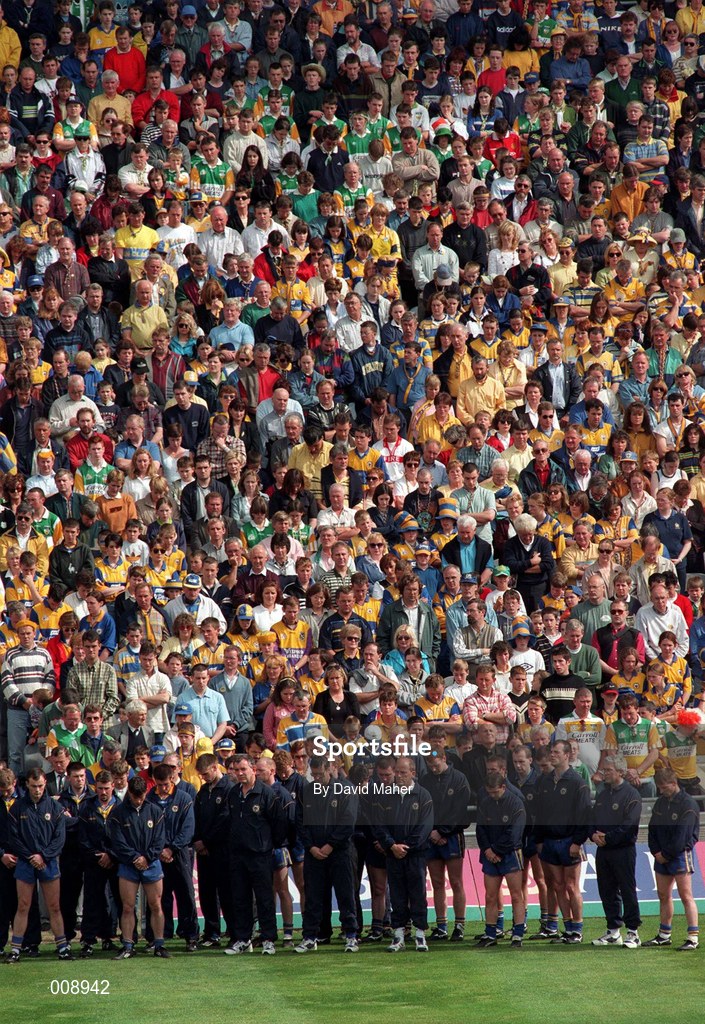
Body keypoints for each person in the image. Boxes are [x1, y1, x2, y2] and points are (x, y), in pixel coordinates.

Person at [5, 767, 73, 964]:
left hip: (48, 863)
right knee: (23, 906)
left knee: (54, 906)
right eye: (34, 786)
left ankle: (62, 947)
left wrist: (43, 856)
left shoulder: (54, 807)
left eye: (41, 786)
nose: (37, 790)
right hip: (26, 864)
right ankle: (16, 949)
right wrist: (30, 857)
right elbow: (14, 839)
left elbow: (59, 839)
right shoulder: (17, 808)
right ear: (27, 784)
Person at [294, 755, 359, 953]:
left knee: (345, 895)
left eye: (320, 774)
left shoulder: (345, 790)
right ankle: (310, 936)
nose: (317, 778)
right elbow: (300, 822)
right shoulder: (306, 791)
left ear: (329, 769)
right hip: (314, 854)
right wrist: (312, 847)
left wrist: (331, 845)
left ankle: (350, 935)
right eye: (313, 775)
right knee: (313, 897)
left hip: (339, 853)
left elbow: (348, 821)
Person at [224, 753, 287, 955]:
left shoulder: (266, 794)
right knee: (240, 899)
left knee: (264, 899)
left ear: (253, 769)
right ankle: (243, 939)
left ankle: (268, 939)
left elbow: (279, 824)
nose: (240, 773)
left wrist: (268, 845)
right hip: (238, 855)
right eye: (236, 770)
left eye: (243, 769)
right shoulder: (233, 793)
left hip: (260, 855)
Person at [372, 756, 434, 953]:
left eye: (403, 772)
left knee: (417, 895)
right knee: (397, 895)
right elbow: (379, 826)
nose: (398, 776)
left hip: (415, 856)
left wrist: (405, 847)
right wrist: (392, 846)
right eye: (397, 772)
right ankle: (398, 935)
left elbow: (424, 828)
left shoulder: (423, 795)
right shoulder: (385, 796)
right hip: (393, 855)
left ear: (413, 774)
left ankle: (420, 934)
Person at [533, 738, 592, 943]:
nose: (552, 755)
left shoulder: (578, 783)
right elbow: (538, 813)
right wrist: (539, 839)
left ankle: (577, 929)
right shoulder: (544, 782)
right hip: (549, 841)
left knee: (571, 886)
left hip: (569, 842)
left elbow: (584, 816)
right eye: (551, 752)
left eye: (556, 752)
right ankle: (567, 929)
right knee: (557, 885)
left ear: (567, 755)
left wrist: (577, 841)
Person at [109, 775, 171, 960]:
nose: (138, 800)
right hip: (129, 865)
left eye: (142, 796)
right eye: (135, 796)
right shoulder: (118, 813)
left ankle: (158, 944)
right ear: (129, 793)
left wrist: (147, 858)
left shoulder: (155, 811)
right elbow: (118, 842)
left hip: (151, 864)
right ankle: (128, 945)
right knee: (128, 907)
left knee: (156, 905)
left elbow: (160, 840)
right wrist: (136, 858)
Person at [589, 753, 643, 949]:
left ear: (620, 772)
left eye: (609, 770)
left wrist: (608, 838)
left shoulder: (631, 795)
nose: (604, 773)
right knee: (607, 890)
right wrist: (593, 835)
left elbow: (629, 825)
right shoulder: (604, 794)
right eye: (604, 770)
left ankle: (633, 932)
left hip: (623, 850)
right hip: (604, 851)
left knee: (627, 890)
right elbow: (592, 818)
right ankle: (613, 930)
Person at [645, 767, 701, 951]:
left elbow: (683, 836)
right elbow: (652, 829)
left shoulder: (688, 804)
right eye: (659, 788)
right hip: (661, 855)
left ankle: (693, 937)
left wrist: (666, 854)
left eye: (664, 787)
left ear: (674, 783)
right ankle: (664, 934)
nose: (661, 791)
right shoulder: (661, 803)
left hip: (679, 855)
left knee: (686, 895)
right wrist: (655, 852)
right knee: (663, 895)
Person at [146, 763, 198, 952]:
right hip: (156, 855)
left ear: (172, 780)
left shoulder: (183, 798)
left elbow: (188, 828)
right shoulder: (149, 799)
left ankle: (191, 936)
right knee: (157, 897)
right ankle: (156, 937)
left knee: (186, 895)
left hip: (180, 853)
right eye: (159, 785)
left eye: (166, 784)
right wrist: (159, 850)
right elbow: (147, 828)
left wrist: (172, 849)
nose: (163, 788)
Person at [424, 749, 472, 942]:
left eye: (437, 764)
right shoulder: (426, 780)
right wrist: (431, 832)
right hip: (431, 837)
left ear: (444, 759)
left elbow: (459, 810)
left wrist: (442, 831)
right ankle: (441, 925)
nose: (434, 769)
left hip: (451, 836)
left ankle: (459, 925)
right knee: (437, 883)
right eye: (431, 766)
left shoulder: (459, 779)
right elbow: (423, 808)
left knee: (456, 882)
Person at [476, 769, 527, 949]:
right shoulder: (485, 803)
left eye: (495, 792)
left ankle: (518, 934)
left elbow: (514, 834)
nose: (492, 795)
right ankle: (491, 934)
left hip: (510, 854)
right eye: (489, 792)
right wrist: (487, 850)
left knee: (515, 895)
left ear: (503, 787)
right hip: (490, 855)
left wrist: (495, 850)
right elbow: (480, 830)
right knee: (490, 896)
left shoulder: (516, 804)